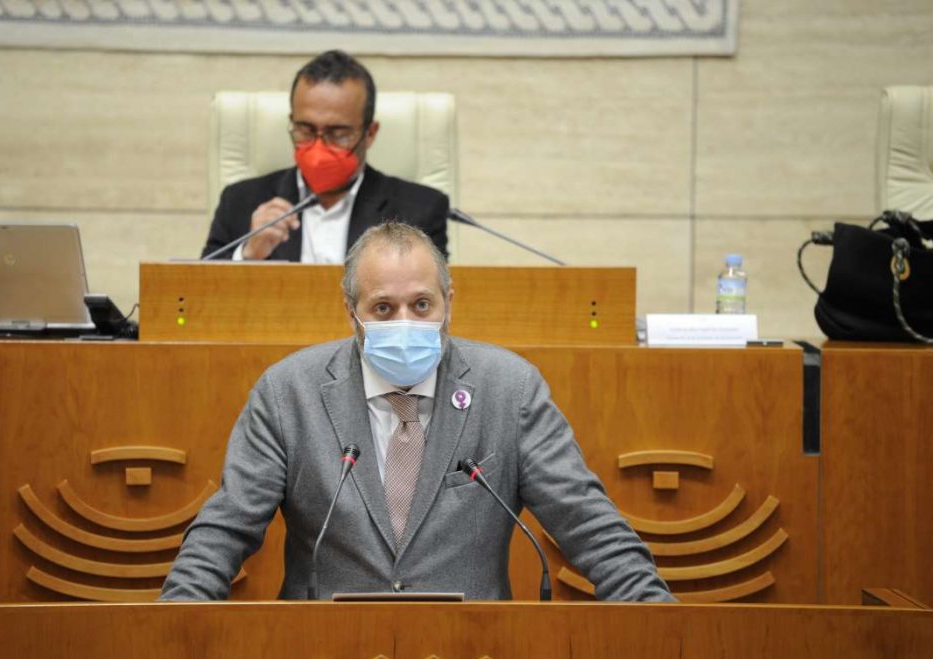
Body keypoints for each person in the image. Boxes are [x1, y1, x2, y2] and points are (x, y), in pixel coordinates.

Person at [163, 221, 672, 602]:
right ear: (351, 312)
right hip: (320, 657)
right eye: (384, 308)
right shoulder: (288, 392)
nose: (405, 321)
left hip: (476, 658)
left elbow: (589, 525)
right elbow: (225, 530)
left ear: (449, 301)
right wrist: (174, 622)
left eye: (422, 305)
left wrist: (665, 626)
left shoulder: (509, 389)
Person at [201, 50, 449, 261]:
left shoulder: (420, 210)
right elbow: (196, 298)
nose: (318, 149)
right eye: (306, 130)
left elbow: (433, 304)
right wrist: (248, 255)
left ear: (370, 133)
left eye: (338, 133)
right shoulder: (241, 201)